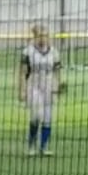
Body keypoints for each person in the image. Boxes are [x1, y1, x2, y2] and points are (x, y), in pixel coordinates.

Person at [18, 24, 63, 156]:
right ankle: (31, 145)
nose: (43, 38)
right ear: (35, 36)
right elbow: (22, 72)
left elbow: (57, 71)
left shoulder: (54, 52)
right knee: (36, 116)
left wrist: (58, 85)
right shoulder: (28, 52)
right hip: (34, 86)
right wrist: (22, 90)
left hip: (49, 87)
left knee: (48, 118)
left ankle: (44, 147)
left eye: (45, 35)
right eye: (40, 35)